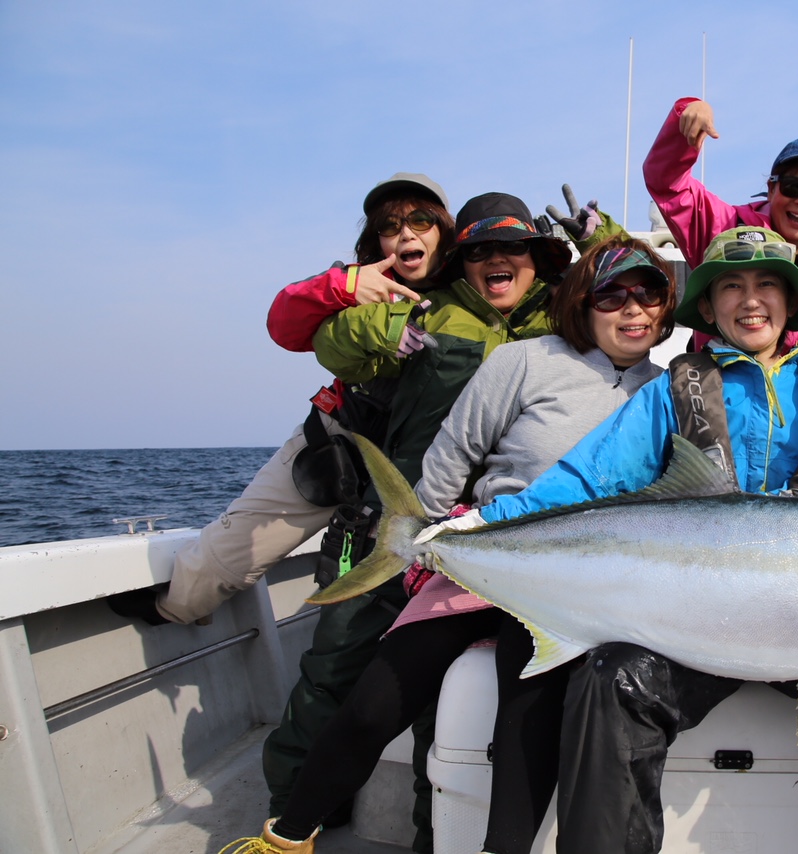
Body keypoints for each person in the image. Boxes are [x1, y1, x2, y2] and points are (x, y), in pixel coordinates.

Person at [429, 226, 798, 854]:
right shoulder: (671, 393)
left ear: (791, 302)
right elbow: (586, 478)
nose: (750, 300)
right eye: (732, 286)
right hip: (696, 630)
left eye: (767, 285)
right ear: (708, 305)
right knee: (610, 678)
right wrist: (482, 526)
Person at [221, 237, 676, 854]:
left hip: (568, 587)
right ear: (580, 302)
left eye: (648, 293)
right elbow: (454, 453)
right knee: (374, 704)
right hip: (476, 555)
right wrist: (421, 545)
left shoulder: (670, 392)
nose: (633, 308)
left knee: (525, 721)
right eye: (611, 294)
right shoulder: (524, 360)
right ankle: (286, 838)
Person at [259, 192, 570, 851]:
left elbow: (639, 307)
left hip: (492, 540)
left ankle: (435, 839)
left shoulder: (563, 314)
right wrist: (385, 328)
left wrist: (604, 240)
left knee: (438, 702)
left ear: (538, 256)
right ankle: (289, 816)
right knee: (333, 670)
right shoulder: (427, 306)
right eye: (480, 249)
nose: (497, 259)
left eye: (513, 247)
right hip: (392, 524)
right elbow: (325, 340)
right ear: (461, 260)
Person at [106, 173, 454, 627]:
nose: (406, 233)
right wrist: (345, 287)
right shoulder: (351, 283)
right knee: (228, 553)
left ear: (444, 229)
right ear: (377, 239)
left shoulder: (471, 289)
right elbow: (283, 325)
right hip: (338, 445)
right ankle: (174, 609)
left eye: (421, 220)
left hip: (424, 465)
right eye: (390, 225)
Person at [643, 97, 798, 360]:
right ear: (771, 188)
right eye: (793, 187)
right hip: (718, 384)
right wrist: (687, 115)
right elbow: (666, 182)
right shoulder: (723, 225)